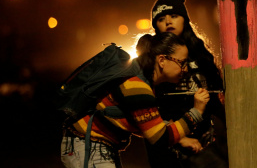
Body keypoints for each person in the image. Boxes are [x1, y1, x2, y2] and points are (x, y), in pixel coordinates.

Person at [60, 32, 211, 168]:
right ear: (162, 60)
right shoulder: (137, 86)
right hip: (89, 146)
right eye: (182, 62)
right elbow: (159, 139)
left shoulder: (140, 79)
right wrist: (196, 112)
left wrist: (180, 138)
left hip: (93, 145)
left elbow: (144, 122)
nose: (185, 69)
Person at [146, 0, 227, 167]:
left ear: (184, 19)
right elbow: (146, 106)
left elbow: (216, 93)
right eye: (161, 19)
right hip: (169, 138)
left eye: (174, 16)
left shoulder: (199, 52)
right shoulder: (150, 56)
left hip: (205, 139)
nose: (168, 22)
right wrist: (179, 137)